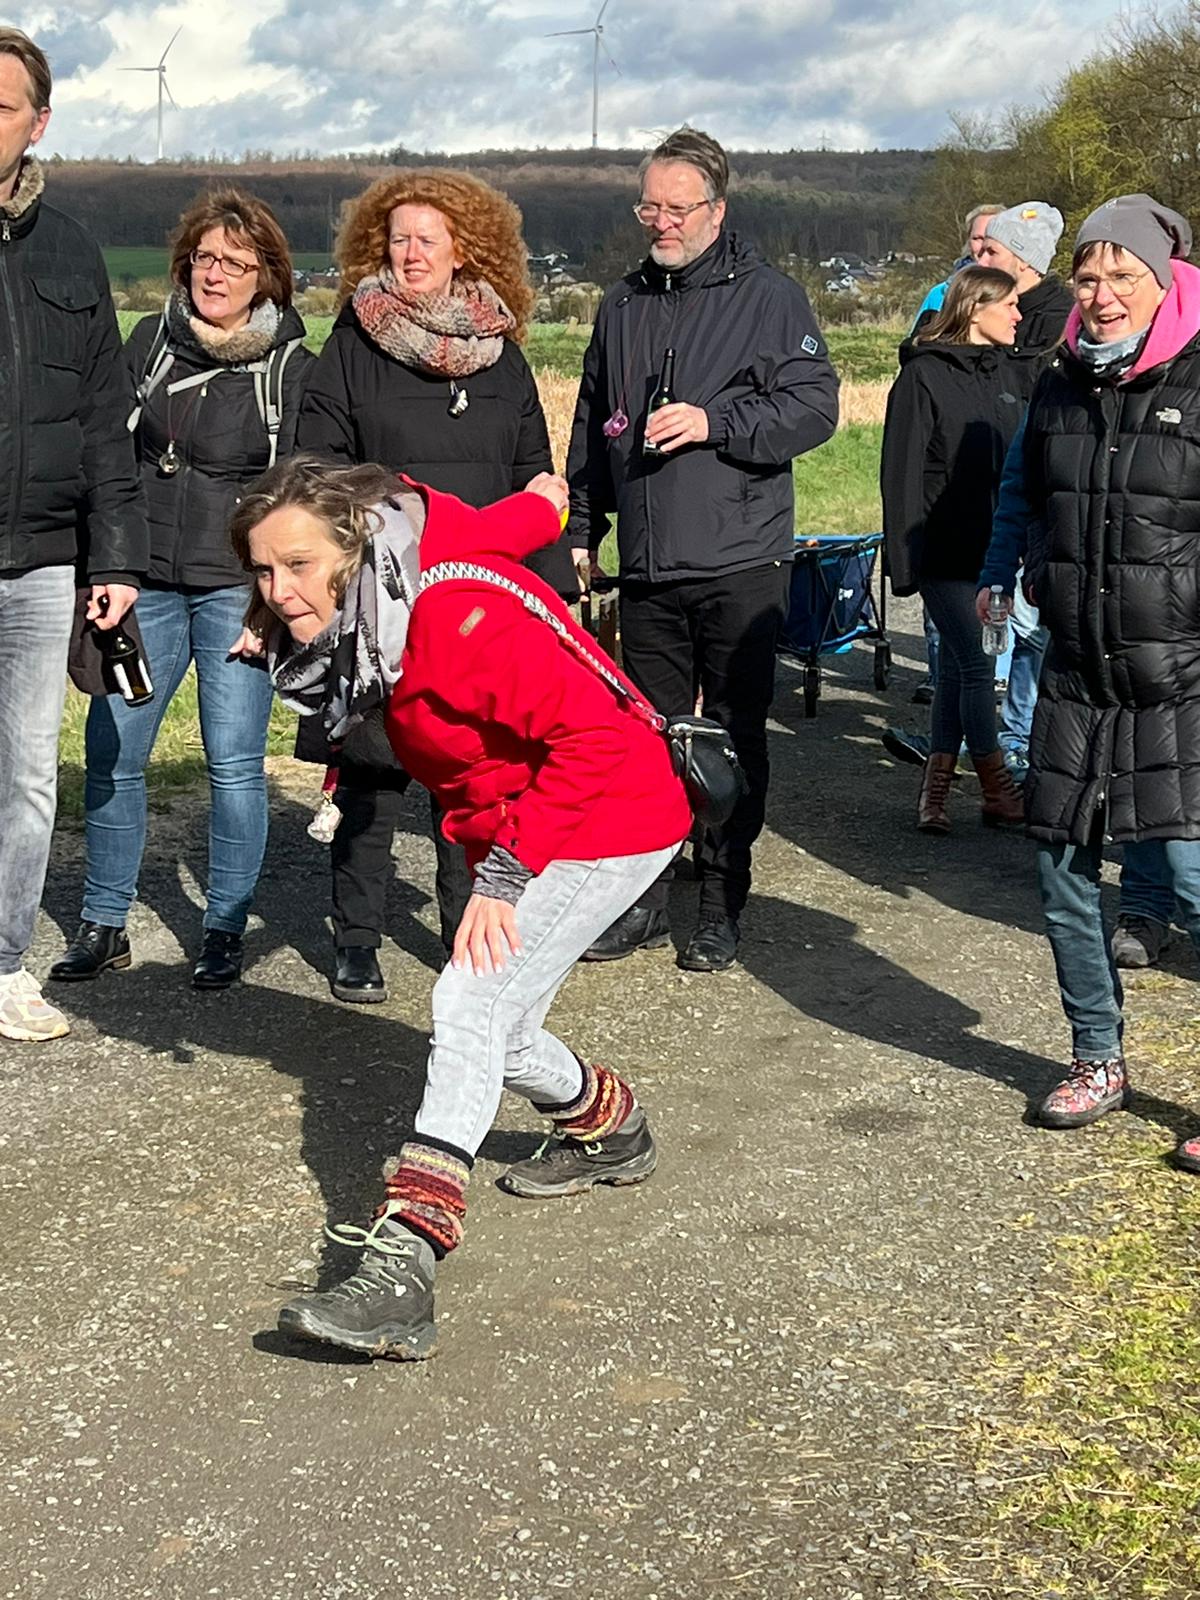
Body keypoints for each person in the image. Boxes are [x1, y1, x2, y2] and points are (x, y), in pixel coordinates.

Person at [229, 455, 692, 1358]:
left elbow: (593, 739)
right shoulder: (386, 582)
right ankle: (612, 1128)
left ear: (354, 547)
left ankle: (405, 1261)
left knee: (468, 1001)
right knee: (501, 1032)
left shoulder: (449, 613)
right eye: (262, 569)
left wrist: (506, 877)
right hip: (513, 816)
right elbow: (503, 525)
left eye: (298, 565)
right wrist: (543, 509)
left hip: (606, 814)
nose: (278, 590)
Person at [296, 168, 579, 1003]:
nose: (411, 253)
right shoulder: (352, 346)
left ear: (465, 249)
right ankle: (356, 939)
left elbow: (534, 478)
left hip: (481, 595)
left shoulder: (502, 355)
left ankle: (469, 935)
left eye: (428, 239)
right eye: (398, 240)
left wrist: (551, 592)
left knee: (475, 775)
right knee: (373, 774)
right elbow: (316, 466)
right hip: (381, 592)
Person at [567, 126, 838, 973]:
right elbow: (592, 420)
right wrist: (583, 527)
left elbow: (814, 409)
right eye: (649, 207)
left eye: (677, 208)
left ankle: (721, 901)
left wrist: (715, 422)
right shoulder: (622, 303)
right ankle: (644, 900)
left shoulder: (771, 298)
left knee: (728, 736)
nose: (661, 222)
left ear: (717, 211)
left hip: (739, 560)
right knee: (646, 743)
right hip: (649, 566)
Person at [49, 189, 313, 991]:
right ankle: (104, 921)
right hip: (144, 586)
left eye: (235, 262)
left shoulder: (288, 369)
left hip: (236, 593)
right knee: (113, 755)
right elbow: (108, 457)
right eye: (204, 258)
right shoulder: (149, 343)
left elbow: (298, 500)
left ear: (266, 276)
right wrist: (107, 568)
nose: (215, 274)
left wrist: (270, 604)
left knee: (233, 765)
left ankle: (224, 926)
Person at [1016, 194, 1200, 1173]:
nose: (1102, 293)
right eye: (1087, 276)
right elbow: (1029, 493)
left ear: (1163, 281)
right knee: (1061, 874)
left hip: (1182, 680)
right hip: (1077, 675)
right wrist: (1024, 572)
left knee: (1194, 884)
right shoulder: (1060, 383)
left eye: (1122, 274)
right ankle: (1097, 1057)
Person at [0, 30, 147, 1042]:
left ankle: (5, 963)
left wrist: (116, 557)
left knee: (25, 778)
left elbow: (105, 421)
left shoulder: (73, 252)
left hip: (45, 559)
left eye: (2, 104)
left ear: (38, 123)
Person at [881, 266, 1027, 834]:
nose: (1018, 315)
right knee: (977, 662)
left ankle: (934, 792)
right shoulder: (923, 376)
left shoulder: (1009, 373)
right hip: (940, 551)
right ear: (975, 307)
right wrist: (904, 562)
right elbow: (900, 473)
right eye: (1009, 304)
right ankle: (996, 785)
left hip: (996, 555)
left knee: (955, 671)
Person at [976, 201, 1074, 394]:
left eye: (992, 252)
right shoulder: (978, 306)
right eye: (981, 252)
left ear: (1025, 260)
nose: (981, 262)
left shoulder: (1061, 322)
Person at [910, 201, 1006, 335]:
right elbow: (915, 344)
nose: (984, 246)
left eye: (992, 238)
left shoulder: (1022, 296)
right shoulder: (940, 294)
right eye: (977, 238)